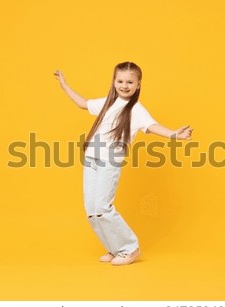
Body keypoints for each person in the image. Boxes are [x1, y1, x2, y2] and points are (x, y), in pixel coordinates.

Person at [54, 61, 193, 266]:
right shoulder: (108, 102)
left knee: (102, 206)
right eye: (120, 81)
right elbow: (83, 104)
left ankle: (130, 248)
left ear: (138, 85)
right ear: (114, 81)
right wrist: (65, 86)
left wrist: (174, 135)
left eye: (130, 82)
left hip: (110, 159)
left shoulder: (136, 109)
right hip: (91, 157)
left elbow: (151, 126)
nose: (124, 85)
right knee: (92, 209)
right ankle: (114, 249)